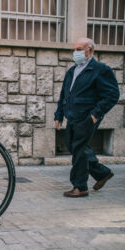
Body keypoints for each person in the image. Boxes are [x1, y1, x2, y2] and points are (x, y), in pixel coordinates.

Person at [54, 37, 120, 198]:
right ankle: (102, 173)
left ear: (89, 50)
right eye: (74, 49)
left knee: (79, 150)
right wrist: (59, 115)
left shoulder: (100, 69)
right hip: (72, 116)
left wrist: (95, 115)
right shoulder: (72, 71)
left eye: (79, 49)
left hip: (87, 117)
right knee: (75, 146)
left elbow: (112, 95)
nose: (75, 53)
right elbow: (64, 95)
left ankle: (80, 186)